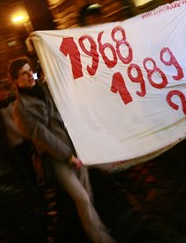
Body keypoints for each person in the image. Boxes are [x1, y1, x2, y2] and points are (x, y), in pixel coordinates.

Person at [9, 57, 116, 243]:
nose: (29, 75)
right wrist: (68, 157)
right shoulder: (20, 108)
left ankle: (94, 227)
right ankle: (101, 238)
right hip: (57, 157)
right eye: (23, 74)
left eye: (30, 70)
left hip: (75, 146)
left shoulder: (46, 88)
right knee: (81, 198)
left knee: (87, 193)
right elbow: (42, 136)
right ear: (15, 81)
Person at [0, 80, 44, 212]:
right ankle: (37, 201)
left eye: (6, 90)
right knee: (23, 174)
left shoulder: (14, 100)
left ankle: (39, 194)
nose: (4, 93)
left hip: (25, 142)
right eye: (0, 91)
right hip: (10, 147)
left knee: (31, 171)